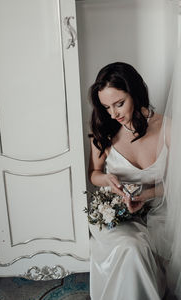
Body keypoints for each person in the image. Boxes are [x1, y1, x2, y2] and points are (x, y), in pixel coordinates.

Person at [88, 62, 169, 300]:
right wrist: (107, 178)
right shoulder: (104, 130)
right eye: (106, 107)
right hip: (116, 213)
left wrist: (145, 196)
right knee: (133, 247)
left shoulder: (169, 128)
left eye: (119, 103)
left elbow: (178, 184)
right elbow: (94, 173)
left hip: (160, 211)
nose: (113, 114)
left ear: (135, 92)